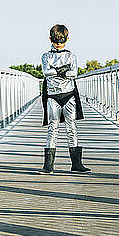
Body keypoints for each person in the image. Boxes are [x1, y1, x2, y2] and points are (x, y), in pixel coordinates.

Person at [39, 24, 91, 174]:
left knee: (71, 128)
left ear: (67, 39)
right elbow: (45, 72)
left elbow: (74, 73)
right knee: (52, 128)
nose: (59, 44)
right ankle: (48, 166)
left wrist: (55, 71)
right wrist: (63, 70)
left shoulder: (71, 55)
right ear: (50, 39)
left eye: (62, 41)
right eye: (56, 41)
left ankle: (76, 164)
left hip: (69, 94)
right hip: (52, 96)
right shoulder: (46, 56)